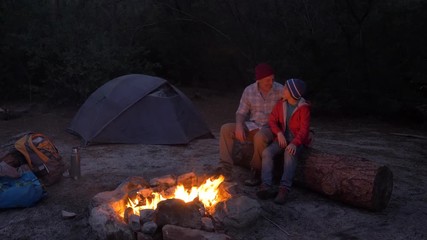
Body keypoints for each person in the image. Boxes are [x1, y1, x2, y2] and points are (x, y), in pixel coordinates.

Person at [218, 63, 283, 183]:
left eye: (272, 79)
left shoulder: (280, 89)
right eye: (267, 80)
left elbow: (294, 100)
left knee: (260, 136)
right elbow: (241, 112)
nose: (271, 82)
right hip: (253, 124)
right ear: (259, 80)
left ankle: (257, 171)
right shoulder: (249, 90)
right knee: (225, 129)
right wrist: (238, 126)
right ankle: (225, 168)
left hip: (270, 127)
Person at [256, 78, 311, 204]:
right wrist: (279, 133)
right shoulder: (281, 104)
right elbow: (272, 120)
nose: (283, 89)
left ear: (292, 92)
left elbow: (304, 131)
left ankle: (284, 189)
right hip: (283, 139)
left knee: (289, 153)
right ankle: (266, 185)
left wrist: (294, 143)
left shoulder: (304, 108)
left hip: (297, 141)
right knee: (267, 153)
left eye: (285, 88)